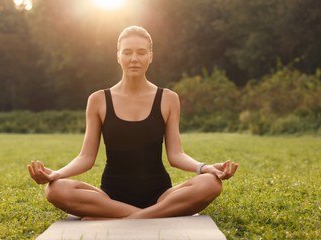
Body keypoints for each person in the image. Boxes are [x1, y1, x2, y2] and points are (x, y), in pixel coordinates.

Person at [27, 25, 238, 219]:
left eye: (141, 52)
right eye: (127, 52)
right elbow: (86, 157)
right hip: (110, 198)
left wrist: (204, 168)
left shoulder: (168, 99)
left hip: (161, 195)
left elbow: (176, 155)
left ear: (150, 57)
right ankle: (153, 217)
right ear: (118, 56)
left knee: (211, 183)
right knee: (55, 189)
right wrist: (57, 174)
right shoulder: (98, 100)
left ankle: (128, 219)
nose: (134, 58)